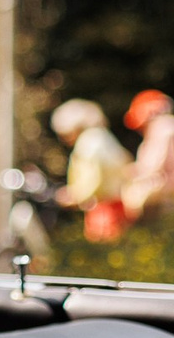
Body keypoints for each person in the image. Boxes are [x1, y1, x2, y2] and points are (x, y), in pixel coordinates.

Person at [51, 98, 133, 243]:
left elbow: (93, 177)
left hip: (104, 209)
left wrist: (75, 196)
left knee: (102, 254)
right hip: (118, 204)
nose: (64, 140)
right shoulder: (104, 136)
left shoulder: (88, 142)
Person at [121, 89, 174, 223]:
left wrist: (129, 173)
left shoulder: (164, 127)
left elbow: (154, 166)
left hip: (167, 201)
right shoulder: (171, 125)